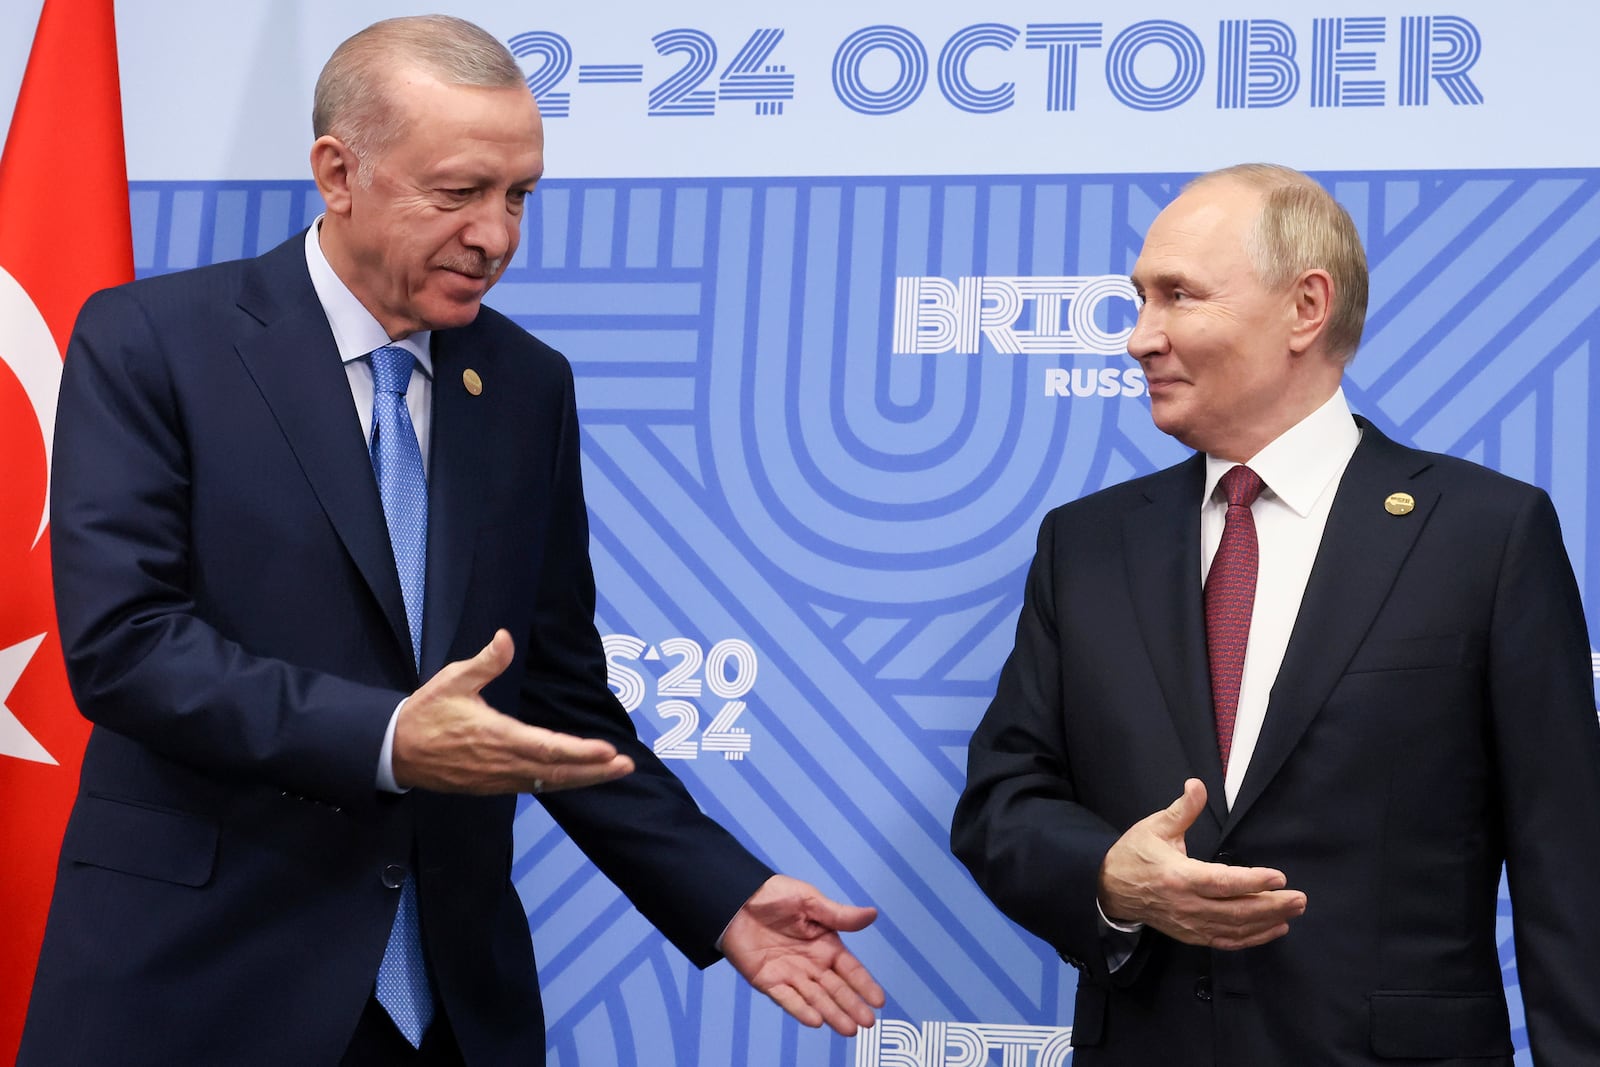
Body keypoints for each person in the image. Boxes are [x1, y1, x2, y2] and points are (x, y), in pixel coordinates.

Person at [20, 15, 883, 1066]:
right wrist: (388, 738)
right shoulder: (153, 341)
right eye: (460, 192)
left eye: (518, 195)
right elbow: (128, 644)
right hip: (201, 987)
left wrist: (717, 889)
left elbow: (556, 696)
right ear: (338, 172)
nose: (497, 235)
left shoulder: (526, 385)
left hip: (450, 1010)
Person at [951, 163, 1600, 1064]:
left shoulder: (1487, 534)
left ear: (1306, 307)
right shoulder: (1087, 545)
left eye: (1177, 295)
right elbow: (1001, 803)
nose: (1141, 337)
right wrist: (1110, 875)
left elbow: (1569, 865)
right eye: (1139, 299)